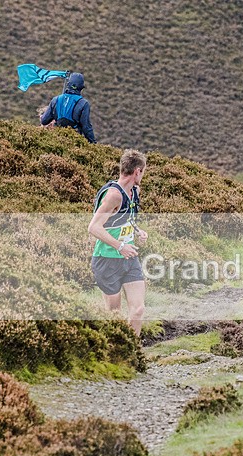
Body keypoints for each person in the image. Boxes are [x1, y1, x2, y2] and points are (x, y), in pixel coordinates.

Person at [87, 149, 148, 335]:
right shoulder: (114, 195)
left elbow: (125, 218)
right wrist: (120, 246)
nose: (143, 176)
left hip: (129, 259)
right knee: (114, 316)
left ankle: (134, 356)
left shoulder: (135, 191)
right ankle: (115, 356)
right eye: (143, 172)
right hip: (106, 260)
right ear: (137, 171)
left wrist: (137, 231)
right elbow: (94, 227)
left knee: (138, 310)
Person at [40, 72, 95, 143]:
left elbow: (44, 121)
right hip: (74, 142)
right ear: (81, 88)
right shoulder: (84, 103)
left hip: (56, 139)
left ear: (68, 84)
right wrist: (93, 143)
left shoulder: (55, 100)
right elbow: (86, 128)